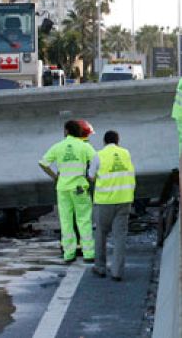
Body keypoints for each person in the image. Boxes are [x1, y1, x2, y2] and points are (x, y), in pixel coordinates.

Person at [39, 120, 97, 263]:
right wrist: (91, 177)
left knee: (66, 221)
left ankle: (68, 254)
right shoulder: (84, 146)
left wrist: (55, 177)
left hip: (63, 188)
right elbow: (97, 161)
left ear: (66, 131)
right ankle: (88, 253)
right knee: (83, 220)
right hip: (79, 187)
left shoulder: (57, 147)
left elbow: (43, 163)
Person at [91, 130, 136, 281]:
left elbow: (91, 177)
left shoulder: (99, 155)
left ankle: (100, 267)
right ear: (118, 141)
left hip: (104, 202)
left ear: (104, 142)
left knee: (100, 234)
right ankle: (117, 272)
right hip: (124, 200)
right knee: (120, 237)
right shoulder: (126, 153)